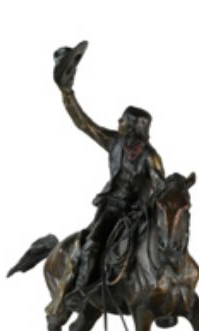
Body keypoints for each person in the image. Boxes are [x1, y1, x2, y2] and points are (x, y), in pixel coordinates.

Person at [53, 42, 165, 312]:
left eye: (124, 123)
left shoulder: (151, 158)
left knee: (160, 245)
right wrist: (67, 93)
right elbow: (84, 123)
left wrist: (144, 207)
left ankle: (163, 298)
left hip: (138, 212)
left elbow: (160, 190)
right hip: (112, 208)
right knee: (92, 243)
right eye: (122, 125)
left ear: (137, 132)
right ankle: (80, 291)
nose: (119, 124)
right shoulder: (114, 143)